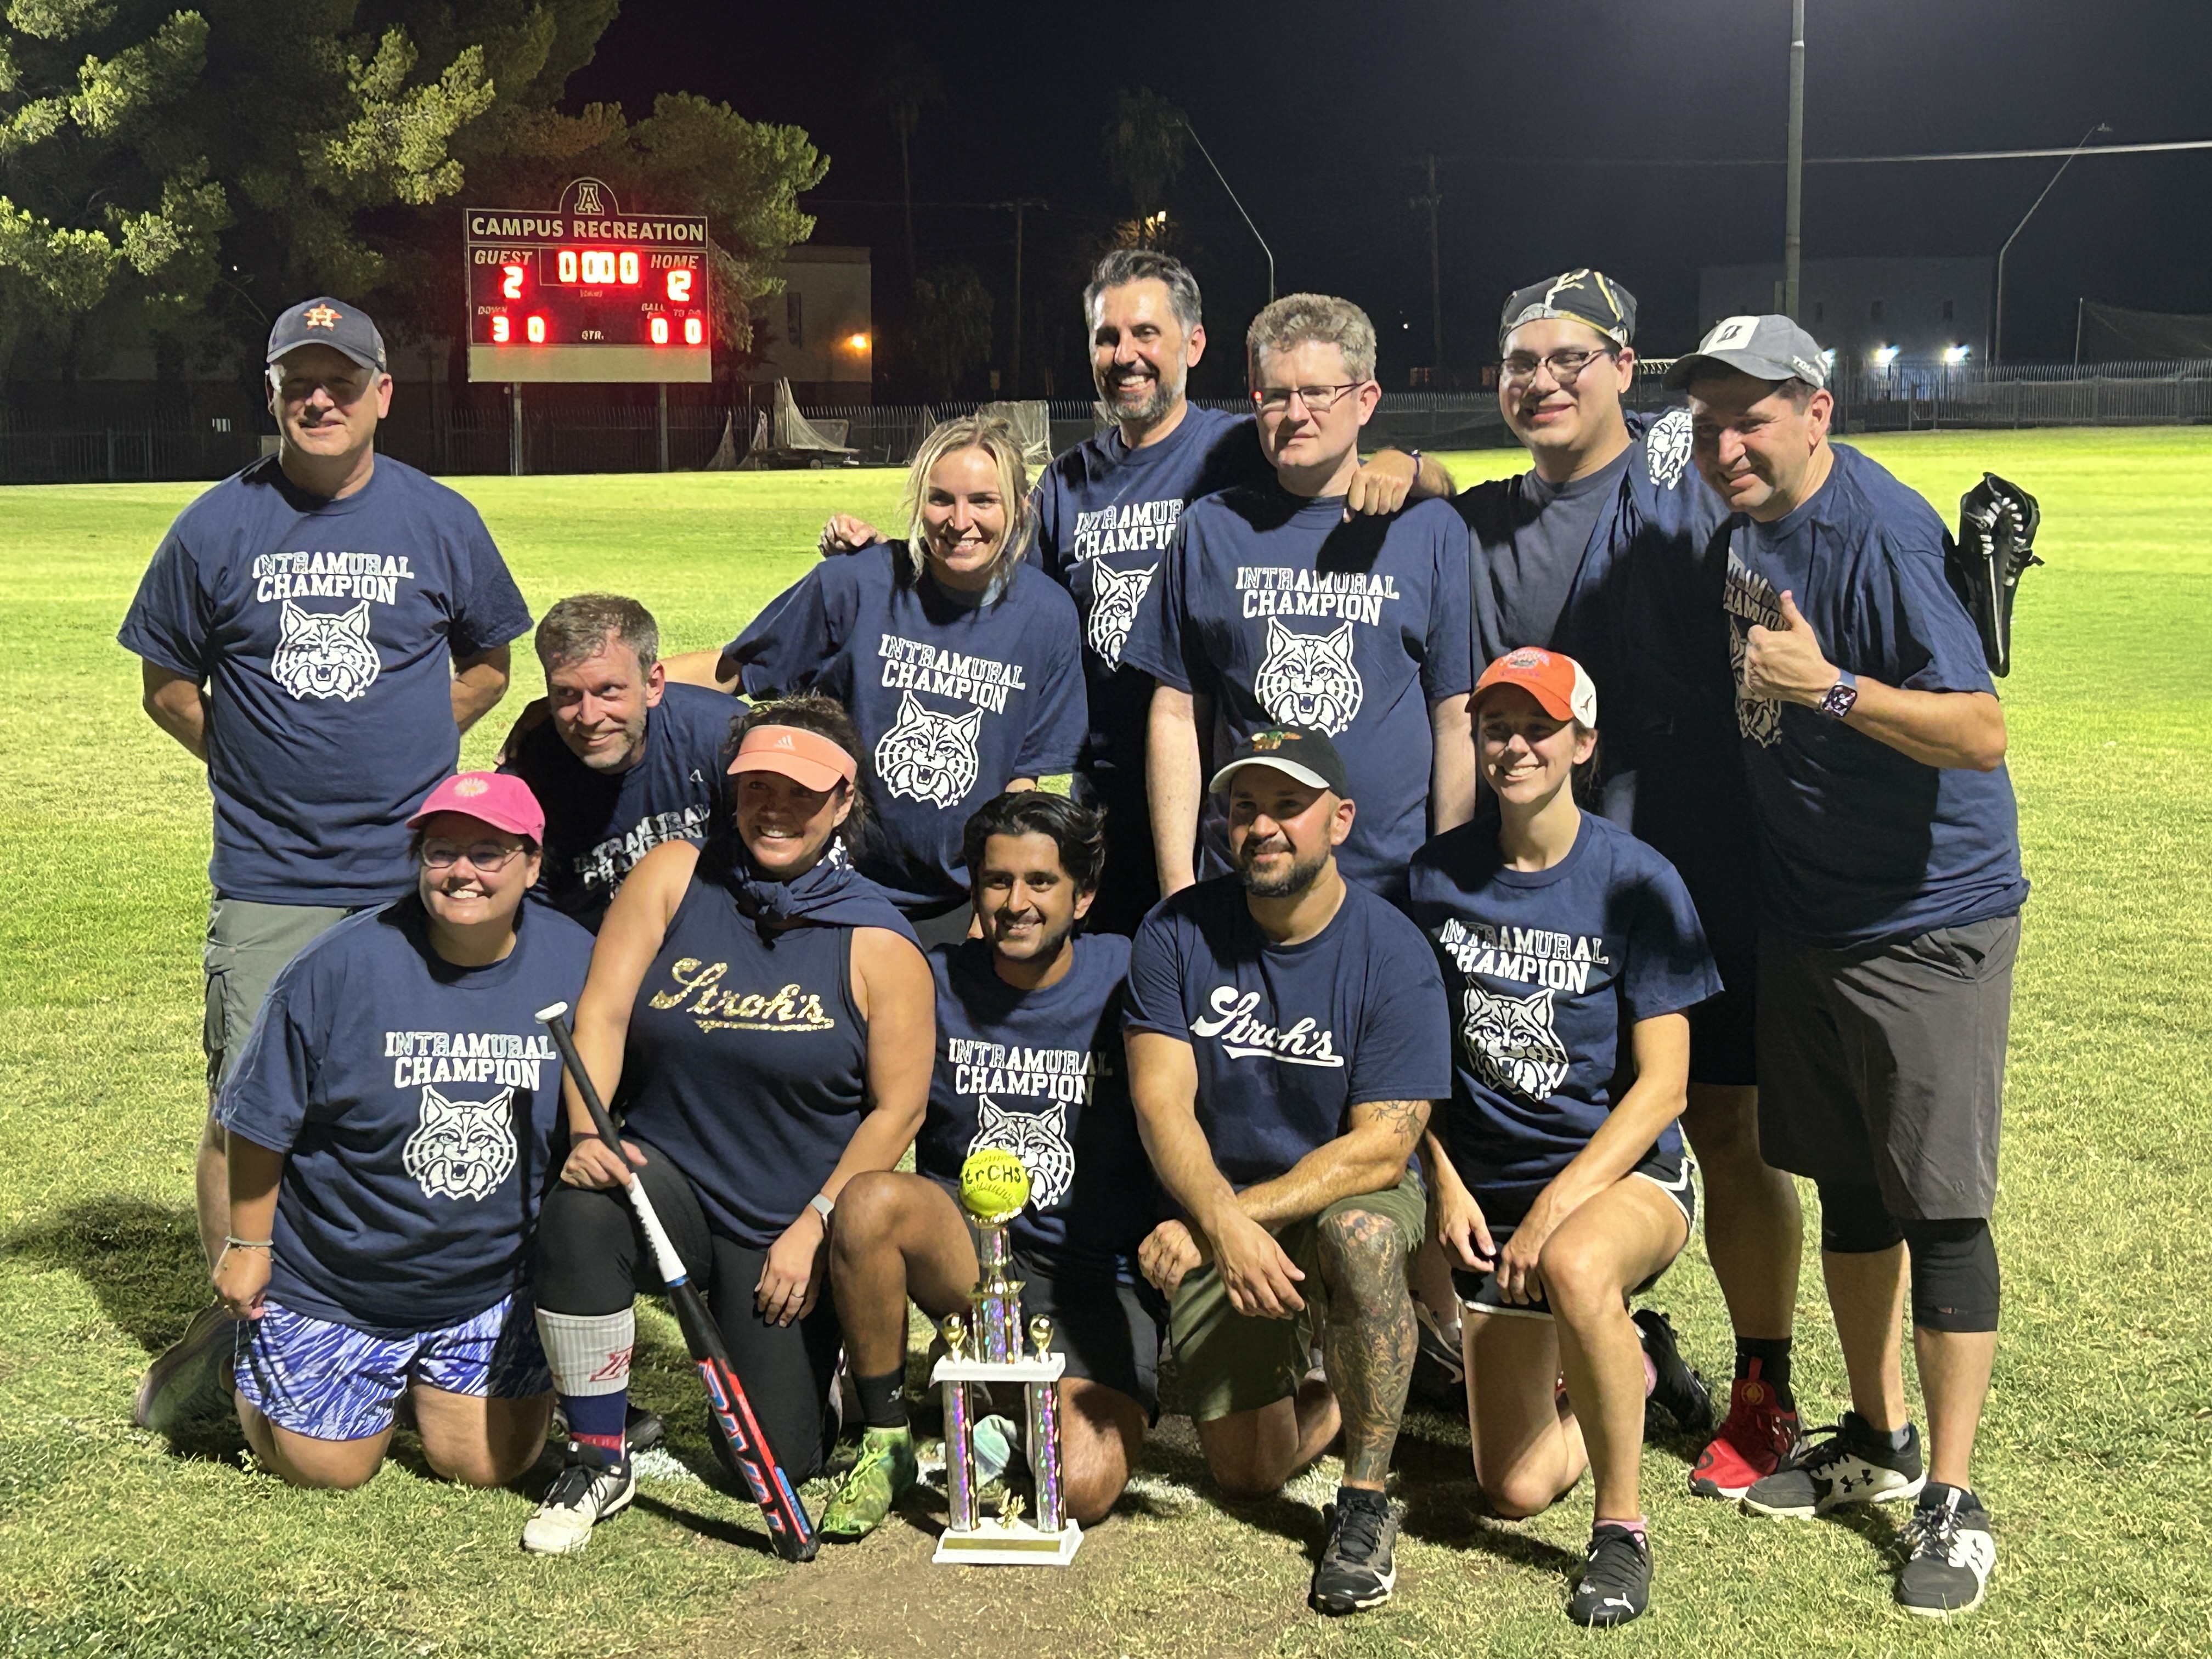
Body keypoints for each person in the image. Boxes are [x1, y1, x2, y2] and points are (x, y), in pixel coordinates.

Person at [123, 296, 530, 1431]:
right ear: (272, 395)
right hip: (270, 876)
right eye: (298, 381)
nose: (319, 399)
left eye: (340, 381)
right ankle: (244, 1334)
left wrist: (408, 744)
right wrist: (250, 761)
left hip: (412, 875)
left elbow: (489, 664)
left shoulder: (440, 519)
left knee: (407, 1095)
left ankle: (393, 1314)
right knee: (245, 1110)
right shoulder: (216, 527)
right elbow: (166, 684)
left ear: (380, 395)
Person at [1676, 315, 2027, 1618]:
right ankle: (1872, 1440)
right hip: (1809, 918)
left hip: (1926, 920)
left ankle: (1950, 1494)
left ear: (1818, 409)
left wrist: (1830, 689)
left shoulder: (1876, 533)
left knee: (1940, 1206)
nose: (1726, 444)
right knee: (1850, 1187)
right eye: (1709, 422)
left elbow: (1982, 731)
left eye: (1751, 416)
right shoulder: (1743, 527)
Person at [817, 250, 1454, 934]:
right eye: (1107, 337)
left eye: (1146, 333)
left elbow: (1351, 469)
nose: (1126, 355)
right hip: (1108, 787)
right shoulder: (1065, 484)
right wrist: (892, 562)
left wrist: (1410, 464)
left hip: (1220, 785)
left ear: (1194, 344)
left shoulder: (1242, 445)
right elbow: (991, 590)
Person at [1453, 270, 1803, 1500]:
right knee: (1541, 1098)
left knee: (1721, 1113)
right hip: (1543, 867)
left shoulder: (1683, 484)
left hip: (1697, 846)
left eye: (1569, 359)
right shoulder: (1484, 514)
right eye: (1519, 363)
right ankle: (1613, 1338)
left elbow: (1802, 499)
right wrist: (1409, 468)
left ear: (1624, 364)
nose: (1540, 381)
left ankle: (1764, 1381)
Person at [521, 698, 934, 1555]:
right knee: (584, 1207)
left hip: (782, 1225)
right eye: (756, 788)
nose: (773, 808)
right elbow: (599, 1014)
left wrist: (815, 1225)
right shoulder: (675, 876)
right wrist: (591, 1136)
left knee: (775, 1457)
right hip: (670, 1179)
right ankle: (598, 1451)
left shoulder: (878, 942)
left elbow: (899, 1108)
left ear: (843, 802)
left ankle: (819, 1378)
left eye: (799, 792)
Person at [1408, 648, 1722, 1628]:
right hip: (1487, 1192)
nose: (1514, 745)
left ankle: (1620, 1530)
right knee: (1509, 1485)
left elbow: (1664, 1084)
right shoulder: (1434, 877)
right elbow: (1405, 1064)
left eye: (1537, 726)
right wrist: (1446, 1182)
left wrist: (1555, 1206)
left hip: (1625, 1180)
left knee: (1582, 1265)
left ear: (1582, 742)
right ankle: (1628, 1363)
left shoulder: (1638, 878)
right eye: (1495, 725)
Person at [1124, 727, 1450, 1617]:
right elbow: (1162, 1101)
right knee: (1250, 1471)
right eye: (1243, 807)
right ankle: (1350, 1369)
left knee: (1364, 1233)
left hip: (1334, 1191)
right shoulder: (1176, 929)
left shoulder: (1394, 950)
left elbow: (1380, 1147)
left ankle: (1366, 1498)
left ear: (1339, 819)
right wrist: (1221, 1221)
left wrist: (1227, 1221)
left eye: (1287, 805)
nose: (1262, 826)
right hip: (1217, 1203)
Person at [211, 772, 592, 1490]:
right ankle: (247, 1363)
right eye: (442, 852)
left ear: (534, 864)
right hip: (339, 1278)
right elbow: (261, 1122)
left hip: (488, 1284)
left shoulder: (577, 961)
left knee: (488, 1464)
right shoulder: (339, 965)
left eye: (488, 853)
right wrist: (248, 1245)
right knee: (327, 1469)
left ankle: (421, 1382)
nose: (462, 873)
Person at [817, 791, 1160, 1539]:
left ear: (1085, 894)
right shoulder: (930, 979)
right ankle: (887, 1434)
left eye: (1041, 882)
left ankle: (1009, 1396)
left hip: (1093, 1275)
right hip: (970, 1256)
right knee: (871, 1202)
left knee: (1084, 1487)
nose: (1017, 903)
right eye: (998, 882)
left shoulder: (1133, 975)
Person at [667, 415, 1087, 949]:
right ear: (918, 505)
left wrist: (990, 903)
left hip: (957, 904)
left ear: (1019, 508)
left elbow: (1020, 781)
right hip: (833, 887)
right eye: (940, 500)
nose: (960, 521)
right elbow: (735, 671)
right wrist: (622, 691)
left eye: (984, 500)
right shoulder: (855, 585)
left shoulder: (1047, 616)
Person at [1125, 292, 1475, 910]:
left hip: (1390, 887)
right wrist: (1179, 886)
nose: (1295, 413)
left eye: (1317, 393)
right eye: (1274, 395)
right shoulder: (1209, 529)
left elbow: (1453, 717)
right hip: (1245, 881)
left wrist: (1448, 881)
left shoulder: (1429, 530)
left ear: (1366, 400)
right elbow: (1178, 710)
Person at [501, 594, 743, 932]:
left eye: (609, 691)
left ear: (653, 684)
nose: (589, 717)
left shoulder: (724, 740)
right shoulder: (526, 781)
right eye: (567, 693)